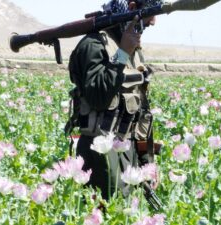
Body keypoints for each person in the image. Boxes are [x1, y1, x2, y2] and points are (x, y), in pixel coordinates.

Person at [66, 0, 158, 200]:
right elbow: (98, 95)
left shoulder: (131, 46)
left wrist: (146, 163)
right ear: (133, 8)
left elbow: (141, 113)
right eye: (151, 12)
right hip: (101, 157)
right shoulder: (93, 45)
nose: (153, 21)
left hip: (128, 153)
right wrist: (123, 53)